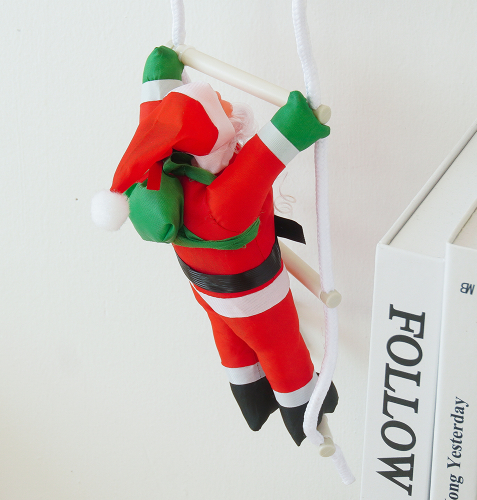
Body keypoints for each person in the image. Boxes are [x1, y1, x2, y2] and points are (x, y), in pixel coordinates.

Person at [93, 46, 338, 445]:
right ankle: (305, 412)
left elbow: (157, 116)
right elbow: (272, 147)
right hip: (255, 296)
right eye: (220, 107)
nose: (225, 102)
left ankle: (252, 401)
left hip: (205, 288)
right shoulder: (222, 203)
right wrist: (304, 117)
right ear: (217, 132)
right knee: (279, 347)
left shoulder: (161, 166)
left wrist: (161, 69)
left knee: (229, 338)